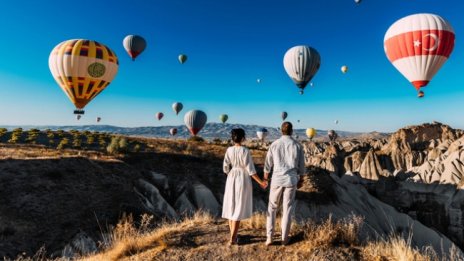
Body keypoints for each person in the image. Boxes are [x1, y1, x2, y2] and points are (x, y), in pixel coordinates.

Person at [222, 128, 268, 245]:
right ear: (243, 138)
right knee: (238, 207)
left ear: (232, 138)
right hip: (242, 178)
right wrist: (261, 182)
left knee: (231, 206)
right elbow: (251, 171)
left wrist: (231, 174)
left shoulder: (229, 150)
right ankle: (233, 238)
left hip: (231, 177)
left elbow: (225, 168)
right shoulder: (245, 151)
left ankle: (233, 235)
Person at [264, 122, 305, 246]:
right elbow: (302, 166)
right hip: (291, 180)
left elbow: (267, 164)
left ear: (281, 131)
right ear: (292, 131)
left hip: (276, 179)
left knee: (272, 207)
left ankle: (269, 238)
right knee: (287, 209)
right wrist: (301, 180)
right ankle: (284, 239)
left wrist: (265, 178)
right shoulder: (297, 146)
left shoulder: (274, 144)